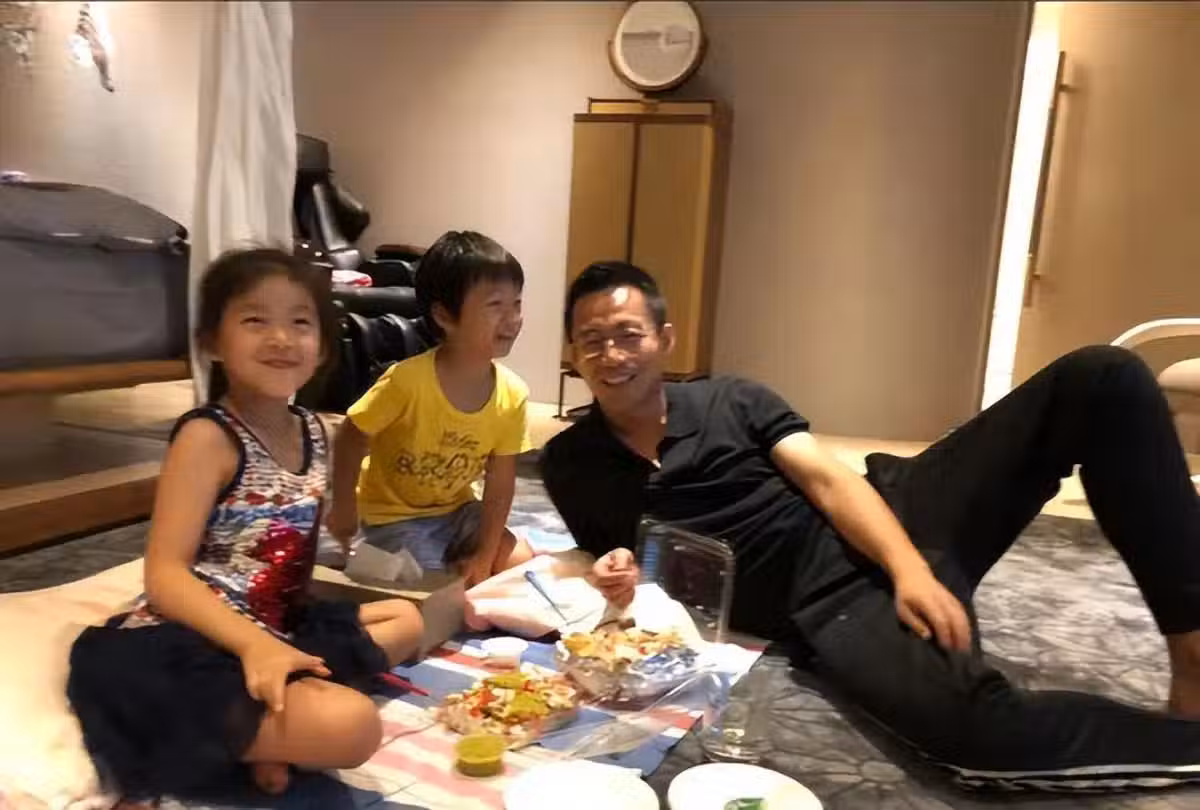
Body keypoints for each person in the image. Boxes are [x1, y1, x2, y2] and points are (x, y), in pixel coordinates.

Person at [541, 260, 1200, 791]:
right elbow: (615, 562)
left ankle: (1192, 655)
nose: (611, 354)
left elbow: (829, 482)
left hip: (902, 505)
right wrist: (612, 574)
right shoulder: (569, 462)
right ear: (573, 351)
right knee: (980, 736)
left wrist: (910, 569)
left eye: (628, 334)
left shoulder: (730, 398)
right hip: (829, 600)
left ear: (664, 338)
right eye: (592, 340)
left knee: (1101, 377)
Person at [67, 249, 425, 800]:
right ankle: (262, 729)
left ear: (322, 347)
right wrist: (255, 647)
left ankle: (265, 730)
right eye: (255, 320)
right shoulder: (208, 437)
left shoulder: (315, 430)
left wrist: (285, 630)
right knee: (356, 726)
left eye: (300, 322)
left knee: (406, 619)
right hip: (193, 638)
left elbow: (293, 554)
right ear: (212, 342)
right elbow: (164, 575)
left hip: (277, 624)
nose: (281, 338)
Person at [327, 231, 534, 588]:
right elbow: (351, 435)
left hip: (459, 513)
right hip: (391, 518)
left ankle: (460, 567)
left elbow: (500, 486)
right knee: (423, 585)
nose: (512, 318)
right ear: (444, 316)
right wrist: (343, 506)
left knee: (520, 560)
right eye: (495, 305)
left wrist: (486, 556)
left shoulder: (512, 394)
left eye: (516, 304)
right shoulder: (407, 382)